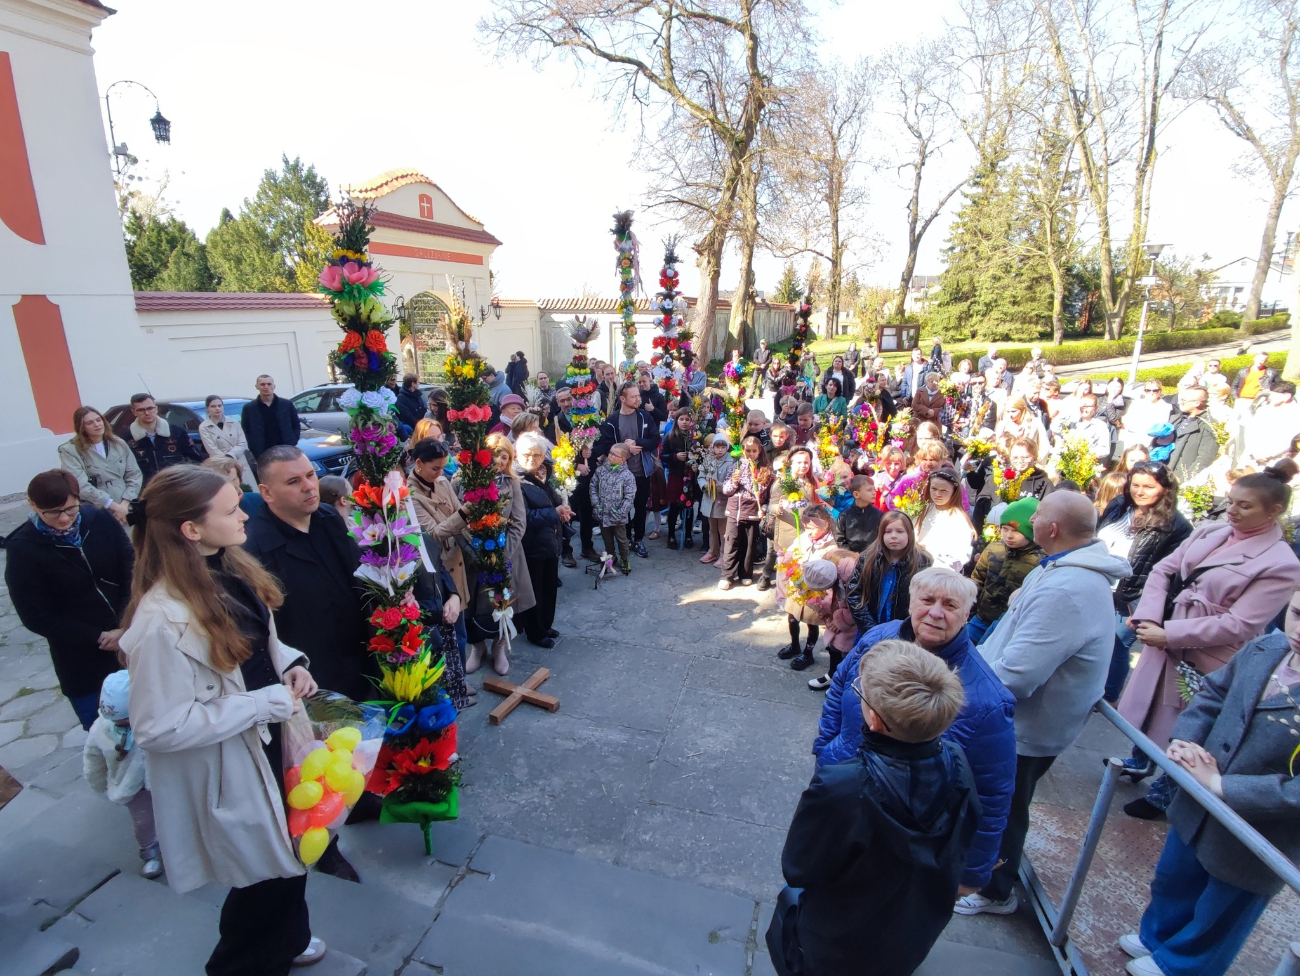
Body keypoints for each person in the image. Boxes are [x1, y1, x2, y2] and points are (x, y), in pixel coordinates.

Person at [120, 465, 327, 973]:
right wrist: (262, 704)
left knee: (292, 851)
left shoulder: (230, 569)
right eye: (232, 509)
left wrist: (292, 665)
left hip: (270, 739)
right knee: (265, 874)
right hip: (235, 759)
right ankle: (246, 961)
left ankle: (289, 938)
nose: (245, 515)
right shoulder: (160, 621)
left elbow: (261, 643)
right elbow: (159, 726)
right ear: (191, 530)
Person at [961, 492, 1131, 916]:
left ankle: (993, 889)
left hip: (1022, 729)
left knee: (1003, 808)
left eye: (1037, 515)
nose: (1031, 519)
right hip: (1012, 720)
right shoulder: (1062, 569)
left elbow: (1018, 675)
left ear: (1052, 529)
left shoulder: (1069, 588)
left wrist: (959, 694)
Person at [767, 640, 979, 976]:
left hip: (838, 941)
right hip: (912, 930)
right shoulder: (958, 761)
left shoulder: (842, 786)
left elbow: (798, 867)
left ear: (875, 720)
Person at [1118, 594, 1300, 976]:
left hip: (1264, 828)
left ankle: (1184, 965)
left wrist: (1223, 787)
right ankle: (1157, 938)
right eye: (1297, 614)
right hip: (1199, 802)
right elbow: (1214, 692)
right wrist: (1188, 740)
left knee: (1224, 904)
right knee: (1174, 877)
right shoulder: (1269, 647)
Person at [815, 569, 1016, 899]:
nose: (936, 613)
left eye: (950, 605)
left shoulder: (987, 701)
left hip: (903, 836)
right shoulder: (879, 636)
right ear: (911, 603)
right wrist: (827, 748)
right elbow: (840, 687)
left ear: (967, 615)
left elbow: (993, 794)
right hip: (841, 792)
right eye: (927, 600)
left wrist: (972, 872)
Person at [1118, 465, 1300, 818]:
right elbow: (1163, 570)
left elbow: (1239, 624)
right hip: (1163, 637)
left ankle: (1165, 794)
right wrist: (1151, 617)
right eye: (1231, 502)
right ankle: (1141, 760)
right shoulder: (1212, 531)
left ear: (1273, 511)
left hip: (1206, 654)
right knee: (1149, 710)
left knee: (1191, 725)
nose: (1232, 511)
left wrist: (1169, 633)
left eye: (1245, 506)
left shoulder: (1281, 564)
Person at [5, 470, 134, 730]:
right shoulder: (23, 549)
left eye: (70, 509)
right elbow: (35, 615)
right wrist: (98, 636)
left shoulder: (99, 521)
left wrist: (126, 625)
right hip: (80, 656)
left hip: (130, 638)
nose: (64, 519)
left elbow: (132, 571)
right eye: (52, 512)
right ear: (34, 505)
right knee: (105, 732)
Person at [1097, 462, 1193, 704]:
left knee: (1117, 645)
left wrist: (1147, 611)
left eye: (1148, 487)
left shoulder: (1176, 525)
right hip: (1100, 585)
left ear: (1164, 489)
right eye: (1135, 485)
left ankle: (1107, 698)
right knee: (1096, 640)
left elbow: (1170, 576)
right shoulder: (1120, 505)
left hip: (1133, 597)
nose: (1139, 492)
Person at [83, 670, 162, 879]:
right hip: (131, 785)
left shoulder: (156, 719)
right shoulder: (101, 730)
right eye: (118, 720)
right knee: (143, 821)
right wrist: (98, 782)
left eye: (127, 719)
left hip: (164, 779)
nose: (123, 723)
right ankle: (149, 851)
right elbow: (93, 758)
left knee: (175, 811)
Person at [478, 434, 534, 673]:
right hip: (477, 553)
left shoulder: (512, 483)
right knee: (477, 603)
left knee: (502, 600)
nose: (500, 461)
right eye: (495, 456)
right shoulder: (465, 480)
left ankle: (499, 647)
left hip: (506, 552)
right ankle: (477, 646)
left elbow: (519, 522)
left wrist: (503, 554)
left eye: (505, 457)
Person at [514, 430, 570, 650]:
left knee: (549, 588)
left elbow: (553, 499)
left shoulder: (545, 471)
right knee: (534, 590)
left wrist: (563, 510)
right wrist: (554, 513)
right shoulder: (516, 480)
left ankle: (546, 625)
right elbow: (523, 517)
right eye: (527, 454)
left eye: (537, 455)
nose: (532, 459)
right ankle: (535, 632)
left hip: (550, 541)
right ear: (517, 454)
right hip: (531, 545)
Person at [593, 382, 661, 558]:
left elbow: (655, 439)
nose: (638, 398)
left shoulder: (645, 417)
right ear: (622, 399)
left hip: (641, 472)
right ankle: (624, 539)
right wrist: (625, 448)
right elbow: (606, 445)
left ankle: (638, 540)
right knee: (622, 507)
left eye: (638, 395)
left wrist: (638, 443)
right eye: (634, 396)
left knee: (639, 506)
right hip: (619, 474)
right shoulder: (612, 420)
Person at [967, 498, 1043, 646]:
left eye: (1016, 531)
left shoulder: (1040, 560)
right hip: (981, 619)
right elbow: (977, 581)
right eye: (1005, 529)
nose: (1008, 535)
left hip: (1008, 626)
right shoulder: (994, 549)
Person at [775, 506, 840, 672]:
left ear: (825, 526)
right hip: (798, 586)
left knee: (812, 623)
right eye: (807, 528)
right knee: (792, 617)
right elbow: (792, 550)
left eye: (813, 528)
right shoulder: (804, 538)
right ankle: (794, 644)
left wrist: (810, 567)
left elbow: (828, 568)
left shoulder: (831, 545)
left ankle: (808, 651)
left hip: (815, 592)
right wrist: (788, 557)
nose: (809, 532)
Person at [59, 405, 142, 524]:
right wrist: (113, 506)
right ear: (81, 427)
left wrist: (124, 504)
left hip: (125, 508)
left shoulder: (118, 443)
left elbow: (134, 474)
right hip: (95, 509)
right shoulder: (70, 450)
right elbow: (80, 485)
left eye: (98, 420)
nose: (97, 424)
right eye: (89, 423)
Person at [761, 446, 819, 593]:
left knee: (804, 567)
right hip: (788, 530)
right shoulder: (782, 482)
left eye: (806, 462)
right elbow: (772, 506)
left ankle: (802, 599)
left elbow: (817, 503)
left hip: (808, 531)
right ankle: (785, 600)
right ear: (790, 464)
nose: (803, 466)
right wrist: (779, 507)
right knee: (787, 570)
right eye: (798, 462)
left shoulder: (813, 482)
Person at [718, 435, 772, 589]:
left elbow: (766, 496)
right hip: (735, 511)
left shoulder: (765, 470)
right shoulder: (736, 466)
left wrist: (765, 509)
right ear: (742, 450)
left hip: (753, 512)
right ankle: (727, 575)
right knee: (731, 543)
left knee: (749, 546)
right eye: (748, 451)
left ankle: (745, 573)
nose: (751, 454)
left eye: (754, 451)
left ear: (759, 451)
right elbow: (727, 490)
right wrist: (734, 481)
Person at [125, 393, 202, 482]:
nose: (147, 413)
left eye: (150, 408)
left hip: (176, 486)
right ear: (134, 412)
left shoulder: (177, 432)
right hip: (145, 490)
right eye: (141, 410)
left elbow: (196, 460)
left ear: (156, 409)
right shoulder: (126, 438)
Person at [914, 467, 976, 573]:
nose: (937, 494)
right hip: (915, 566)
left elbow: (957, 557)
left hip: (938, 573)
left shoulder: (958, 520)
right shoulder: (925, 509)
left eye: (943, 491)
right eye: (934, 489)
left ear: (954, 492)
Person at [591, 443, 638, 574]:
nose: (610, 456)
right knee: (607, 539)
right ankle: (611, 557)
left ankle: (624, 558)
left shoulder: (627, 476)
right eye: (610, 452)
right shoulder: (601, 471)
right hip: (603, 513)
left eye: (614, 454)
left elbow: (629, 496)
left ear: (622, 459)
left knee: (622, 540)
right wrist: (596, 504)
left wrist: (621, 512)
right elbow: (593, 487)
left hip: (618, 515)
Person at [199, 395, 256, 490]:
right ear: (207, 408)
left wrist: (231, 455)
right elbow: (211, 448)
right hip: (219, 463)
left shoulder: (234, 423)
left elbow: (242, 443)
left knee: (248, 489)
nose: (217, 408)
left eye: (219, 405)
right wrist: (226, 460)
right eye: (213, 406)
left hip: (239, 460)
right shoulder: (204, 427)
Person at [239, 375, 301, 461]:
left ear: (274, 386)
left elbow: (296, 424)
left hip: (286, 450)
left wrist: (293, 441)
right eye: (262, 384)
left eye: (269, 384)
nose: (266, 387)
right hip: (262, 452)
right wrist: (253, 446)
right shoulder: (249, 408)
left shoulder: (286, 405)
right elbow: (245, 430)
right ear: (256, 387)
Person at [661, 408, 699, 549]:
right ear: (676, 420)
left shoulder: (695, 437)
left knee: (689, 506)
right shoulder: (670, 436)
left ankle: (688, 534)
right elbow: (662, 455)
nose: (684, 422)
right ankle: (671, 535)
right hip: (676, 475)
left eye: (687, 419)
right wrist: (674, 457)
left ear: (691, 421)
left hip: (690, 476)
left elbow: (701, 455)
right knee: (675, 506)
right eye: (681, 419)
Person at [1243, 380, 1300, 468]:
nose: (1270, 397)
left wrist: (1268, 455)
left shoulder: (1295, 415)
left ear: (1287, 396)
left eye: (1274, 395)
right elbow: (1250, 430)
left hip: (1276, 460)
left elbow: (1289, 439)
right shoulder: (1264, 410)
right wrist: (1253, 451)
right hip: (1252, 457)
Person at [697, 433, 734, 565]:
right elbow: (701, 476)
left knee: (723, 530)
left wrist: (720, 486)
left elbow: (733, 483)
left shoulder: (731, 462)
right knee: (711, 528)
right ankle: (713, 551)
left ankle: (724, 554)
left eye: (723, 447)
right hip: (709, 500)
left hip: (722, 501)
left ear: (727, 448)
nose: (720, 450)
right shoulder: (708, 460)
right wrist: (704, 485)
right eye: (717, 447)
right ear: (713, 447)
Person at [834, 475, 883, 553]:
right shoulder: (844, 516)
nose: (874, 493)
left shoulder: (879, 515)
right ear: (856, 494)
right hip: (851, 559)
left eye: (874, 489)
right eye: (869, 490)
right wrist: (851, 555)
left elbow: (882, 539)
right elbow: (840, 540)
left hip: (873, 557)